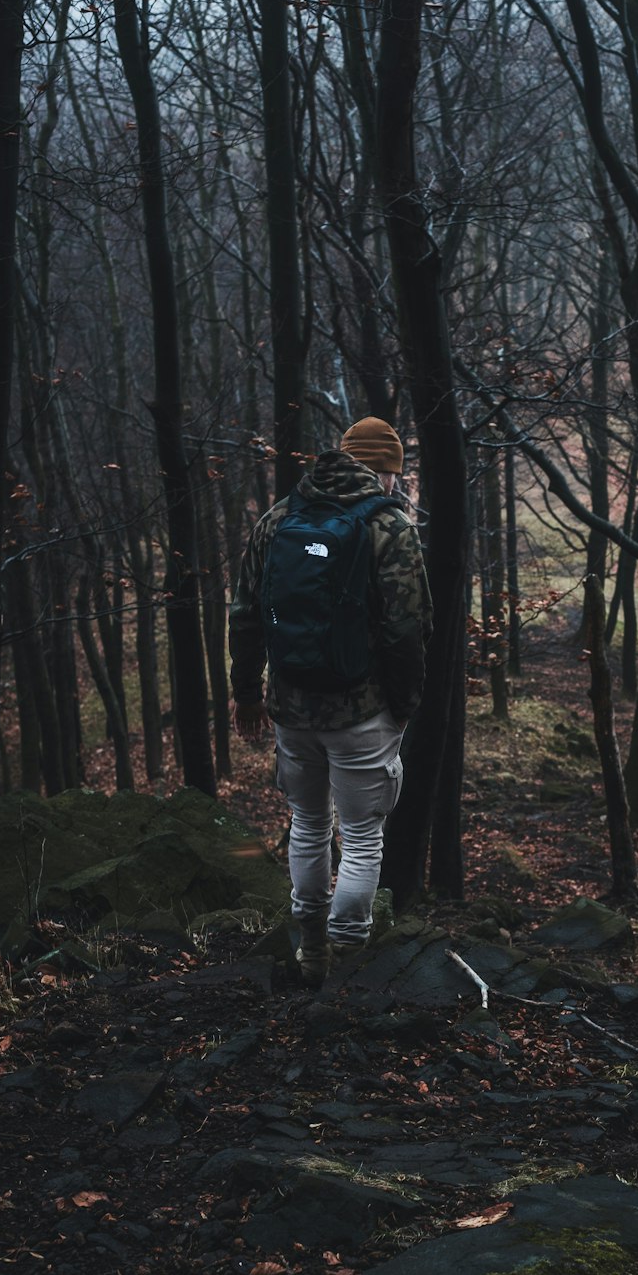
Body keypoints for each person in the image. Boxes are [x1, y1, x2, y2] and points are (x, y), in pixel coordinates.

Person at [229, 417, 432, 986]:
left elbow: (245, 614)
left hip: (291, 708)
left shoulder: (279, 517)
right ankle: (346, 958)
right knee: (363, 837)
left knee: (309, 824)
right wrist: (404, 703)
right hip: (362, 712)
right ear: (385, 471)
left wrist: (246, 693)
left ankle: (310, 948)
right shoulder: (389, 527)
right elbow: (407, 628)